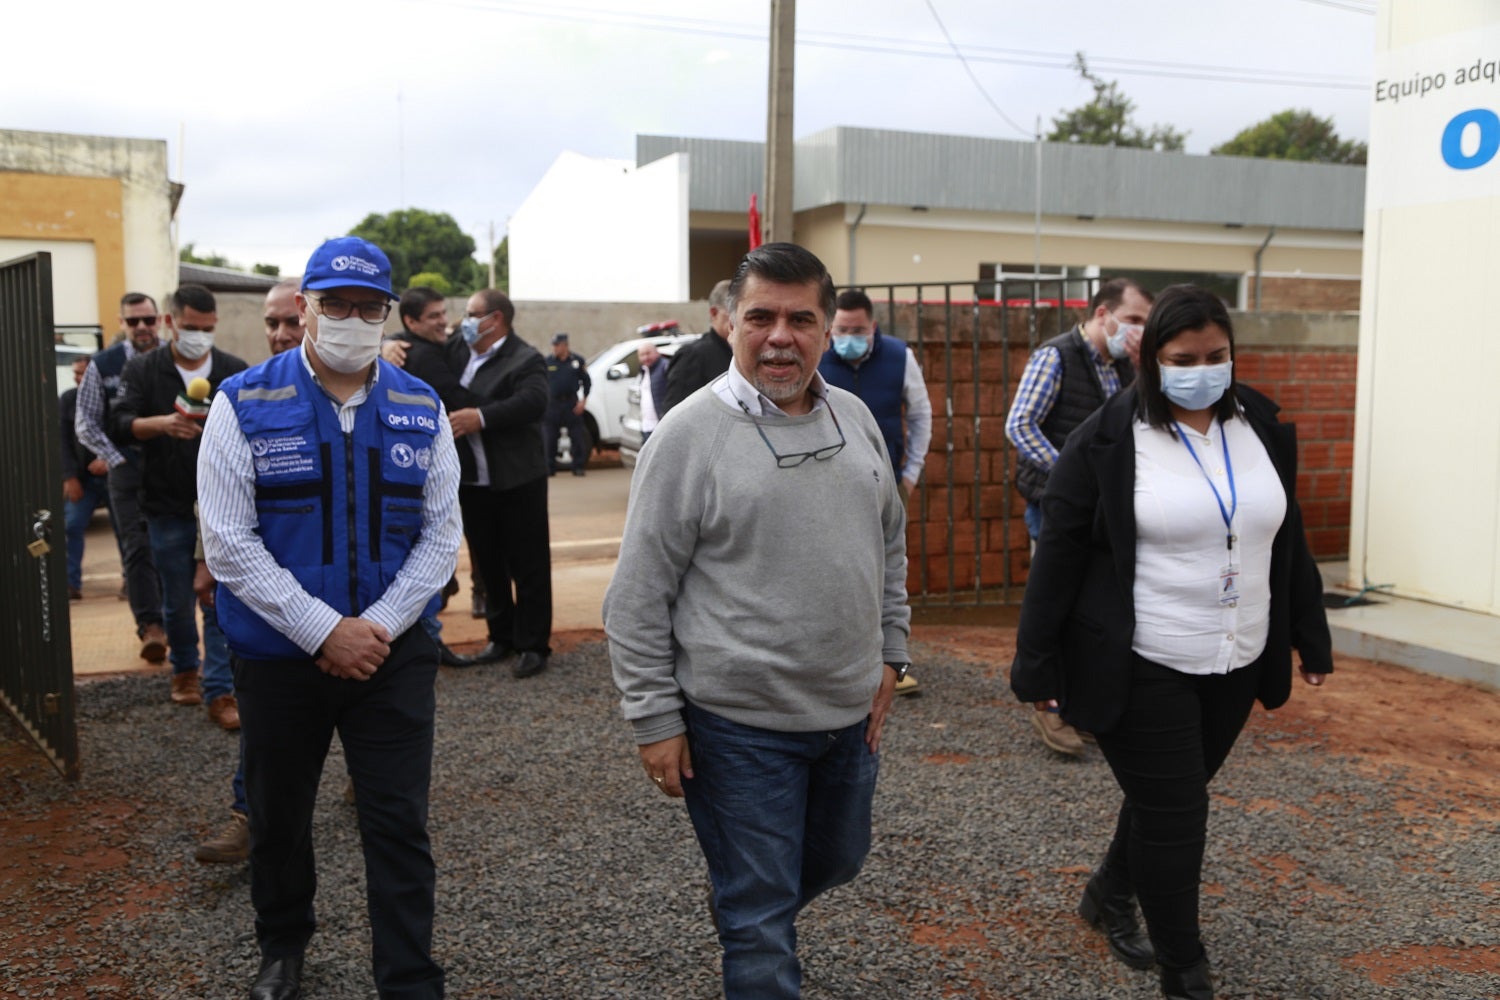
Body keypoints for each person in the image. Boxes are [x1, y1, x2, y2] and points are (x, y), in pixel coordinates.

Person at [603, 243, 910, 1000]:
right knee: (763, 928)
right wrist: (653, 719)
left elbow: (890, 540)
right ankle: (751, 909)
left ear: (825, 325)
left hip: (847, 714)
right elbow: (637, 595)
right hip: (737, 729)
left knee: (837, 860)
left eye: (801, 319)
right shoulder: (687, 436)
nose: (781, 336)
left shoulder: (857, 416)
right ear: (729, 324)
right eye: (760, 317)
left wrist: (891, 655)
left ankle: (748, 897)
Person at [1008, 285, 1332, 1000]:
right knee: (1179, 817)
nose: (1204, 369)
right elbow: (1058, 556)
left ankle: (1108, 893)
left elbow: (1286, 537)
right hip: (1143, 656)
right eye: (1183, 358)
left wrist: (1310, 631)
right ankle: (1186, 972)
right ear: (1150, 359)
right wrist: (1037, 667)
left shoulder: (1263, 429)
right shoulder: (1104, 441)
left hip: (1238, 655)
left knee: (1170, 798)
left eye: (1217, 355)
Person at [199, 236, 461, 1000]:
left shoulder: (421, 406)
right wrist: (321, 630)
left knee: (397, 824)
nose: (350, 319)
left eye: (366, 307)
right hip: (279, 657)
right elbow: (227, 541)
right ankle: (283, 946)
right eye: (333, 305)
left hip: (391, 655)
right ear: (304, 308)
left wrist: (372, 627)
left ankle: (409, 976)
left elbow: (441, 535)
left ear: (387, 314)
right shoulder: (242, 401)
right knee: (279, 817)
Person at [1004, 277, 1152, 756]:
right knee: (1053, 607)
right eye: (1132, 320)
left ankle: (1074, 703)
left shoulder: (1122, 369)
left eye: (1145, 324)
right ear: (1103, 314)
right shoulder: (1057, 355)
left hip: (1101, 512)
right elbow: (1019, 424)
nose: (1137, 332)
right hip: (1055, 505)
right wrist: (1071, 473)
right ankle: (1049, 708)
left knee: (1089, 610)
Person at [194, 280, 310, 865]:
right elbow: (218, 497)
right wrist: (204, 560)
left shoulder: (358, 397)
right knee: (265, 729)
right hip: (267, 605)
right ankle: (250, 816)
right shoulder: (242, 396)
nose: (280, 334)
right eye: (272, 323)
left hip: (354, 606)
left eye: (290, 321)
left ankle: (368, 790)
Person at [111, 285, 246, 727]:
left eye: (207, 329)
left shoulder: (232, 370)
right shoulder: (144, 370)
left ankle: (220, 688)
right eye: (191, 328)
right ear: (171, 323)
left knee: (219, 595)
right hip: (166, 505)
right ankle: (185, 668)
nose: (199, 337)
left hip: (222, 506)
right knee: (177, 596)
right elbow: (121, 424)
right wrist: (162, 424)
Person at [817, 288, 932, 696]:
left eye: (858, 329)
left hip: (887, 482)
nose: (849, 337)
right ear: (830, 330)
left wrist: (912, 474)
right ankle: (834, 660)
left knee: (885, 570)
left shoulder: (900, 357)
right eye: (842, 329)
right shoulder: (817, 357)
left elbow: (920, 415)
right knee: (832, 567)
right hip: (823, 481)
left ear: (873, 327)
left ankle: (888, 659)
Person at [447, 289, 552, 677]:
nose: (466, 320)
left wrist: (482, 417)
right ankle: (500, 636)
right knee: (488, 562)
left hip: (518, 478)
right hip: (474, 480)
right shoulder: (458, 349)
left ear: (496, 320)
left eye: (472, 314)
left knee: (528, 564)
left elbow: (533, 402)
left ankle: (533, 645)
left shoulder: (525, 359)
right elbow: (421, 352)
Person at [73, 292, 166, 661]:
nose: (142, 327)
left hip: (171, 470)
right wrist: (116, 459)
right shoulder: (103, 365)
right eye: (133, 321)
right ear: (121, 323)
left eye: (148, 320)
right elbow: (86, 423)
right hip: (126, 471)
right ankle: (151, 627)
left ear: (160, 320)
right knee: (137, 546)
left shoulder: (173, 360)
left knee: (175, 546)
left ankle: (177, 622)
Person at [60, 356, 112, 601]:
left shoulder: (110, 397)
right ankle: (71, 584)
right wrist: (69, 477)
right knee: (71, 525)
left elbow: (121, 430)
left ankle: (132, 584)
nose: (78, 378)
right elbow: (62, 442)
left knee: (130, 531)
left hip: (115, 475)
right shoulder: (68, 399)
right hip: (83, 479)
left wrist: (107, 459)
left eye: (83, 373)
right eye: (75, 373)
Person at [660, 278, 733, 414]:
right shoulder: (693, 356)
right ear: (714, 313)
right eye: (732, 314)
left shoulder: (739, 355)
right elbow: (674, 416)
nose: (738, 321)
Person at [542, 331, 591, 476]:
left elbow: (587, 382)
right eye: (554, 345)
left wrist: (583, 401)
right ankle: (549, 468)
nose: (555, 348)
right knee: (550, 438)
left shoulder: (577, 361)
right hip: (553, 405)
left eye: (557, 345)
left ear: (565, 346)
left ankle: (578, 467)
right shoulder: (547, 362)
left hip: (571, 403)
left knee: (577, 436)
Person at [635, 340, 669, 445]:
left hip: (660, 426)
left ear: (656, 352)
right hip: (646, 426)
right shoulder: (644, 370)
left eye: (648, 353)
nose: (645, 357)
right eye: (642, 355)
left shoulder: (665, 366)